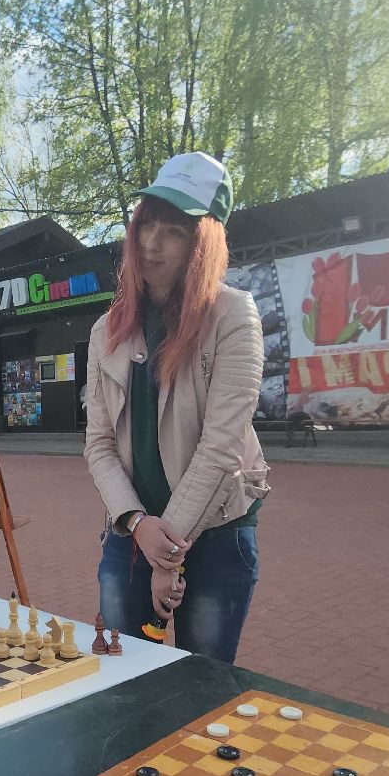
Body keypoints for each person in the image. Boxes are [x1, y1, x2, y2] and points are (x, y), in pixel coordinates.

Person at [83, 152, 271, 664]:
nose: (150, 244)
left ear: (201, 243)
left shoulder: (233, 317)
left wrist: (170, 550)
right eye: (146, 224)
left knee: (201, 689)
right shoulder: (107, 330)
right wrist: (140, 526)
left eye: (173, 231)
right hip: (132, 530)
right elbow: (98, 445)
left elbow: (221, 447)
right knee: (122, 678)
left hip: (216, 532)